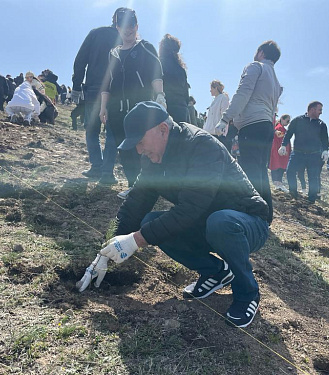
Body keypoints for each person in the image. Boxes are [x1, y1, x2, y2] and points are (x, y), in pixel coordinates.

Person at [78, 101, 270, 328]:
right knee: (150, 222)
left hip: (247, 223)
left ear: (162, 129)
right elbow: (134, 206)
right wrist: (106, 252)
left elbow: (190, 209)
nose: (139, 150)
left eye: (140, 142)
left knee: (220, 222)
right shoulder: (152, 160)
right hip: (206, 223)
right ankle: (216, 272)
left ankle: (248, 293)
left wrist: (135, 241)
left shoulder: (202, 146)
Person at [99, 7, 164, 197]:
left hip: (140, 108)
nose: (128, 30)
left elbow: (156, 74)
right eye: (124, 26)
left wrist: (160, 95)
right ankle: (133, 186)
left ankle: (147, 187)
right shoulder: (113, 54)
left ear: (137, 26)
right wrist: (103, 106)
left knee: (144, 147)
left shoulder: (145, 47)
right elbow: (107, 83)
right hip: (117, 111)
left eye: (132, 26)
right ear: (117, 28)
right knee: (125, 149)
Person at [215, 41, 282, 224]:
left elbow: (242, 93)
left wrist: (226, 118)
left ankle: (253, 211)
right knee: (260, 170)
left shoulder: (255, 67)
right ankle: (266, 214)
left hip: (252, 125)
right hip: (267, 125)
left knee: (249, 169)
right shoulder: (275, 80)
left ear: (261, 52)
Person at [72, 9, 122, 179]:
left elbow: (80, 60)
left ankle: (96, 166)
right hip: (117, 92)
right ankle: (108, 171)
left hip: (94, 89)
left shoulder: (96, 33)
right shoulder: (129, 39)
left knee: (92, 130)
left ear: (112, 19)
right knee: (112, 131)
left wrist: (76, 86)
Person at [279, 101, 329, 203]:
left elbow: (325, 139)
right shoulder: (297, 120)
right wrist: (283, 145)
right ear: (312, 109)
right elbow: (289, 134)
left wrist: (325, 150)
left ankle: (311, 199)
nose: (321, 113)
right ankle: (293, 193)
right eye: (320, 110)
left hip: (314, 155)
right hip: (298, 153)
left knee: (313, 177)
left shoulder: (321, 125)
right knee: (290, 171)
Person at [159, 33, 190, 123]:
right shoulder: (181, 69)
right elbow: (186, 95)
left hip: (165, 109)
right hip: (181, 111)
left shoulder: (159, 64)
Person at [269, 114, 291, 192]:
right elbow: (277, 141)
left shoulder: (281, 128)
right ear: (282, 119)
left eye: (289, 121)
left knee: (279, 166)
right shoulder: (279, 128)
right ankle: (277, 184)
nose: (288, 123)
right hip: (279, 152)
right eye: (287, 121)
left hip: (280, 152)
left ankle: (278, 183)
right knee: (277, 166)